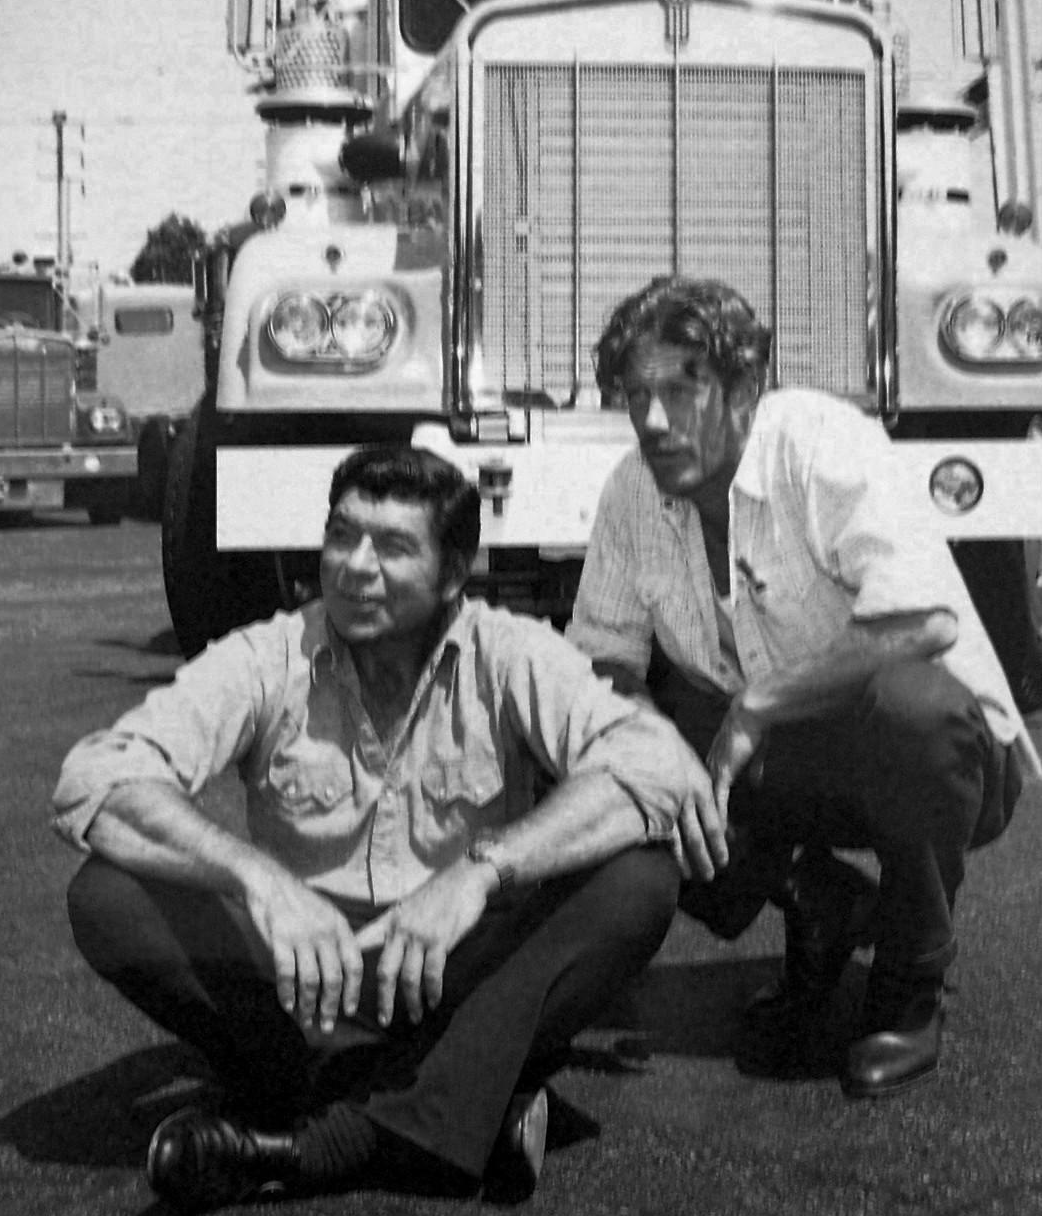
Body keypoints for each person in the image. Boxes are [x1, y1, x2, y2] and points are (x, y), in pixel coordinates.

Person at [53, 444, 724, 1212]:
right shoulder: (268, 654)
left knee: (639, 877)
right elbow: (94, 777)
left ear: (452, 573)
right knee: (108, 894)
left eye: (393, 546)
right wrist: (257, 877)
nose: (355, 566)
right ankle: (461, 1098)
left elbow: (648, 762)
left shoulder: (510, 650)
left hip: (461, 973)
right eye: (342, 535)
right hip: (308, 983)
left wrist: (481, 873)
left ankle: (324, 1139)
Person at [567, 274, 1038, 1099]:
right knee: (585, 745)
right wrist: (647, 742)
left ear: (745, 389)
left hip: (945, 761)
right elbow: (601, 657)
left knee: (915, 711)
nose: (653, 420)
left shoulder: (820, 441)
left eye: (682, 389)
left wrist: (760, 703)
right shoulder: (632, 490)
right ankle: (814, 897)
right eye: (636, 394)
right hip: (778, 760)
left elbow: (922, 623)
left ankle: (911, 979)